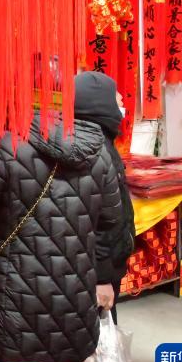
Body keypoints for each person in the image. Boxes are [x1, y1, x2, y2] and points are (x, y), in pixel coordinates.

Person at [0, 105, 121, 362]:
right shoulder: (99, 152)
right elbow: (111, 223)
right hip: (75, 308)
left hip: (11, 310)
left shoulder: (2, 146)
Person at [74, 71, 136, 319]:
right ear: (100, 103)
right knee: (96, 330)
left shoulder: (98, 144)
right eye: (118, 101)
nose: (122, 107)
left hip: (93, 266)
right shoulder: (97, 152)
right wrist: (103, 277)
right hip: (94, 269)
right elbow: (102, 221)